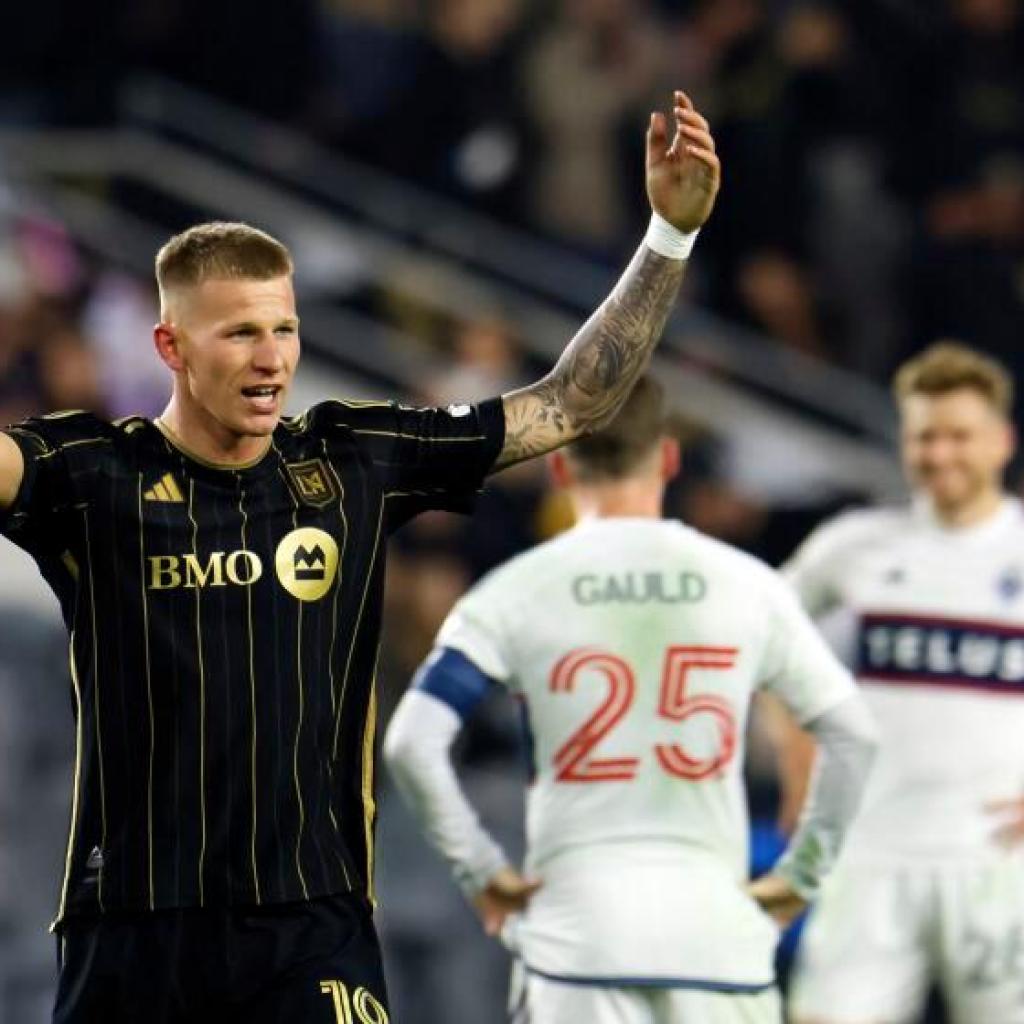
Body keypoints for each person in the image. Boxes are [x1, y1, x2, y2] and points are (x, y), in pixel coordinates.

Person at [0, 92, 720, 1024]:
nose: (272, 358)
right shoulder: (95, 475)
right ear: (170, 346)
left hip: (312, 928)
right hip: (135, 928)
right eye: (241, 332)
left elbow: (567, 405)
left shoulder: (350, 459)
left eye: (285, 328)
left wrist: (667, 236)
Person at [383, 376, 878, 1024]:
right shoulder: (746, 584)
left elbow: (410, 743)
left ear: (559, 465)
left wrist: (480, 870)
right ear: (667, 459)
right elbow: (853, 736)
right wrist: (803, 877)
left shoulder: (515, 591)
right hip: (713, 934)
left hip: (578, 935)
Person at [784, 341, 1024, 1024]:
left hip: (999, 864)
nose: (940, 453)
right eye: (924, 436)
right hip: (872, 852)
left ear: (1001, 441)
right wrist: (792, 739)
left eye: (959, 436)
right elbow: (759, 630)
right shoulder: (858, 544)